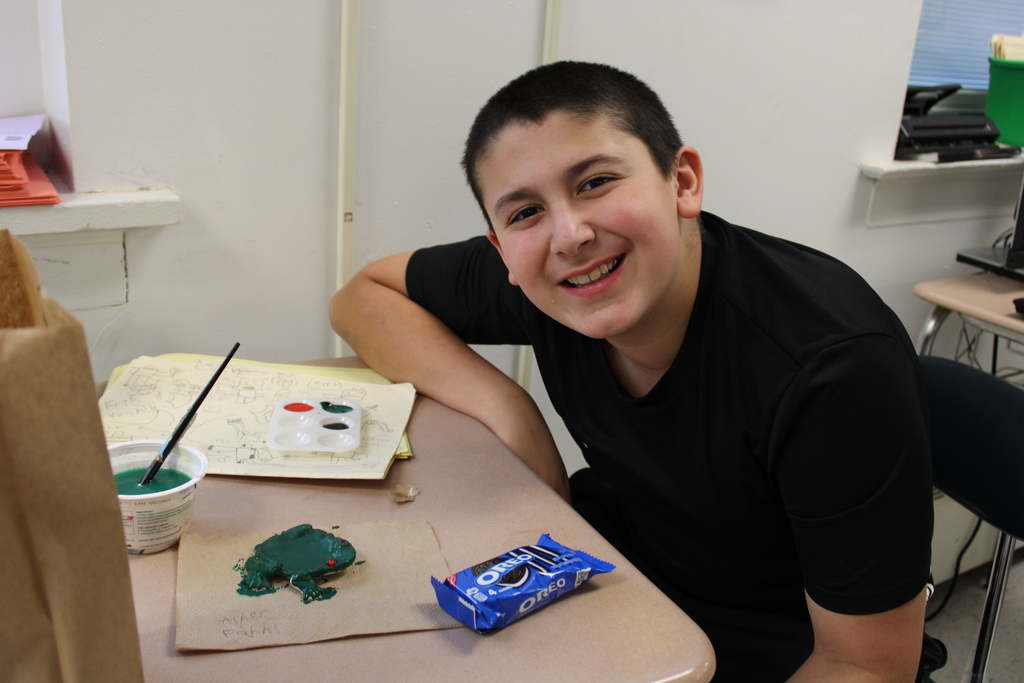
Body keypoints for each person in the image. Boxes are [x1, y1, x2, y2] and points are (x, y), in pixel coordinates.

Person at [331, 61, 935, 682]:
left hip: (773, 647)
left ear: (683, 183)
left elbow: (866, 665)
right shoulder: (546, 281)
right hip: (626, 576)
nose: (569, 235)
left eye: (595, 182)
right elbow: (360, 297)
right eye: (524, 213)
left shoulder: (834, 372)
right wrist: (507, 408)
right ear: (501, 251)